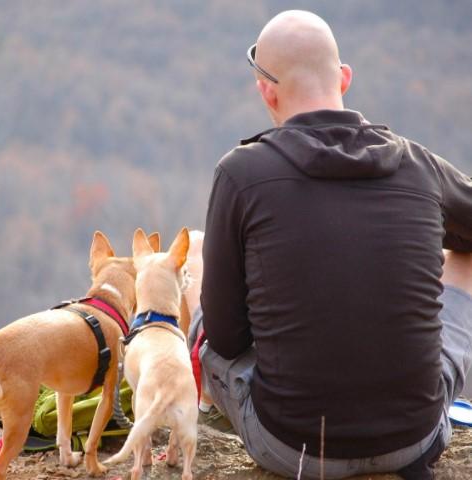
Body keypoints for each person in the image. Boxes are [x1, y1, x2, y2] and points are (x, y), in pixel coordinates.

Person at [193, 10, 472, 479]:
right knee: (465, 257)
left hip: (290, 446)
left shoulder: (240, 175)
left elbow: (225, 337)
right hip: (415, 439)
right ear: (344, 78)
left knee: (200, 283)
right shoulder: (419, 166)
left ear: (267, 89)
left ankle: (205, 410)